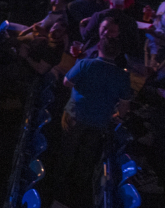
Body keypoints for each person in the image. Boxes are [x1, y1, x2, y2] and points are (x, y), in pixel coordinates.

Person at [55, 38, 132, 204]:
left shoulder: (85, 64)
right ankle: (78, 188)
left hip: (76, 114)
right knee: (87, 153)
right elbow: (125, 103)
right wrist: (118, 116)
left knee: (68, 147)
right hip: (100, 121)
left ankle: (58, 183)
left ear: (98, 47)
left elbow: (67, 82)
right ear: (118, 53)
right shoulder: (122, 75)